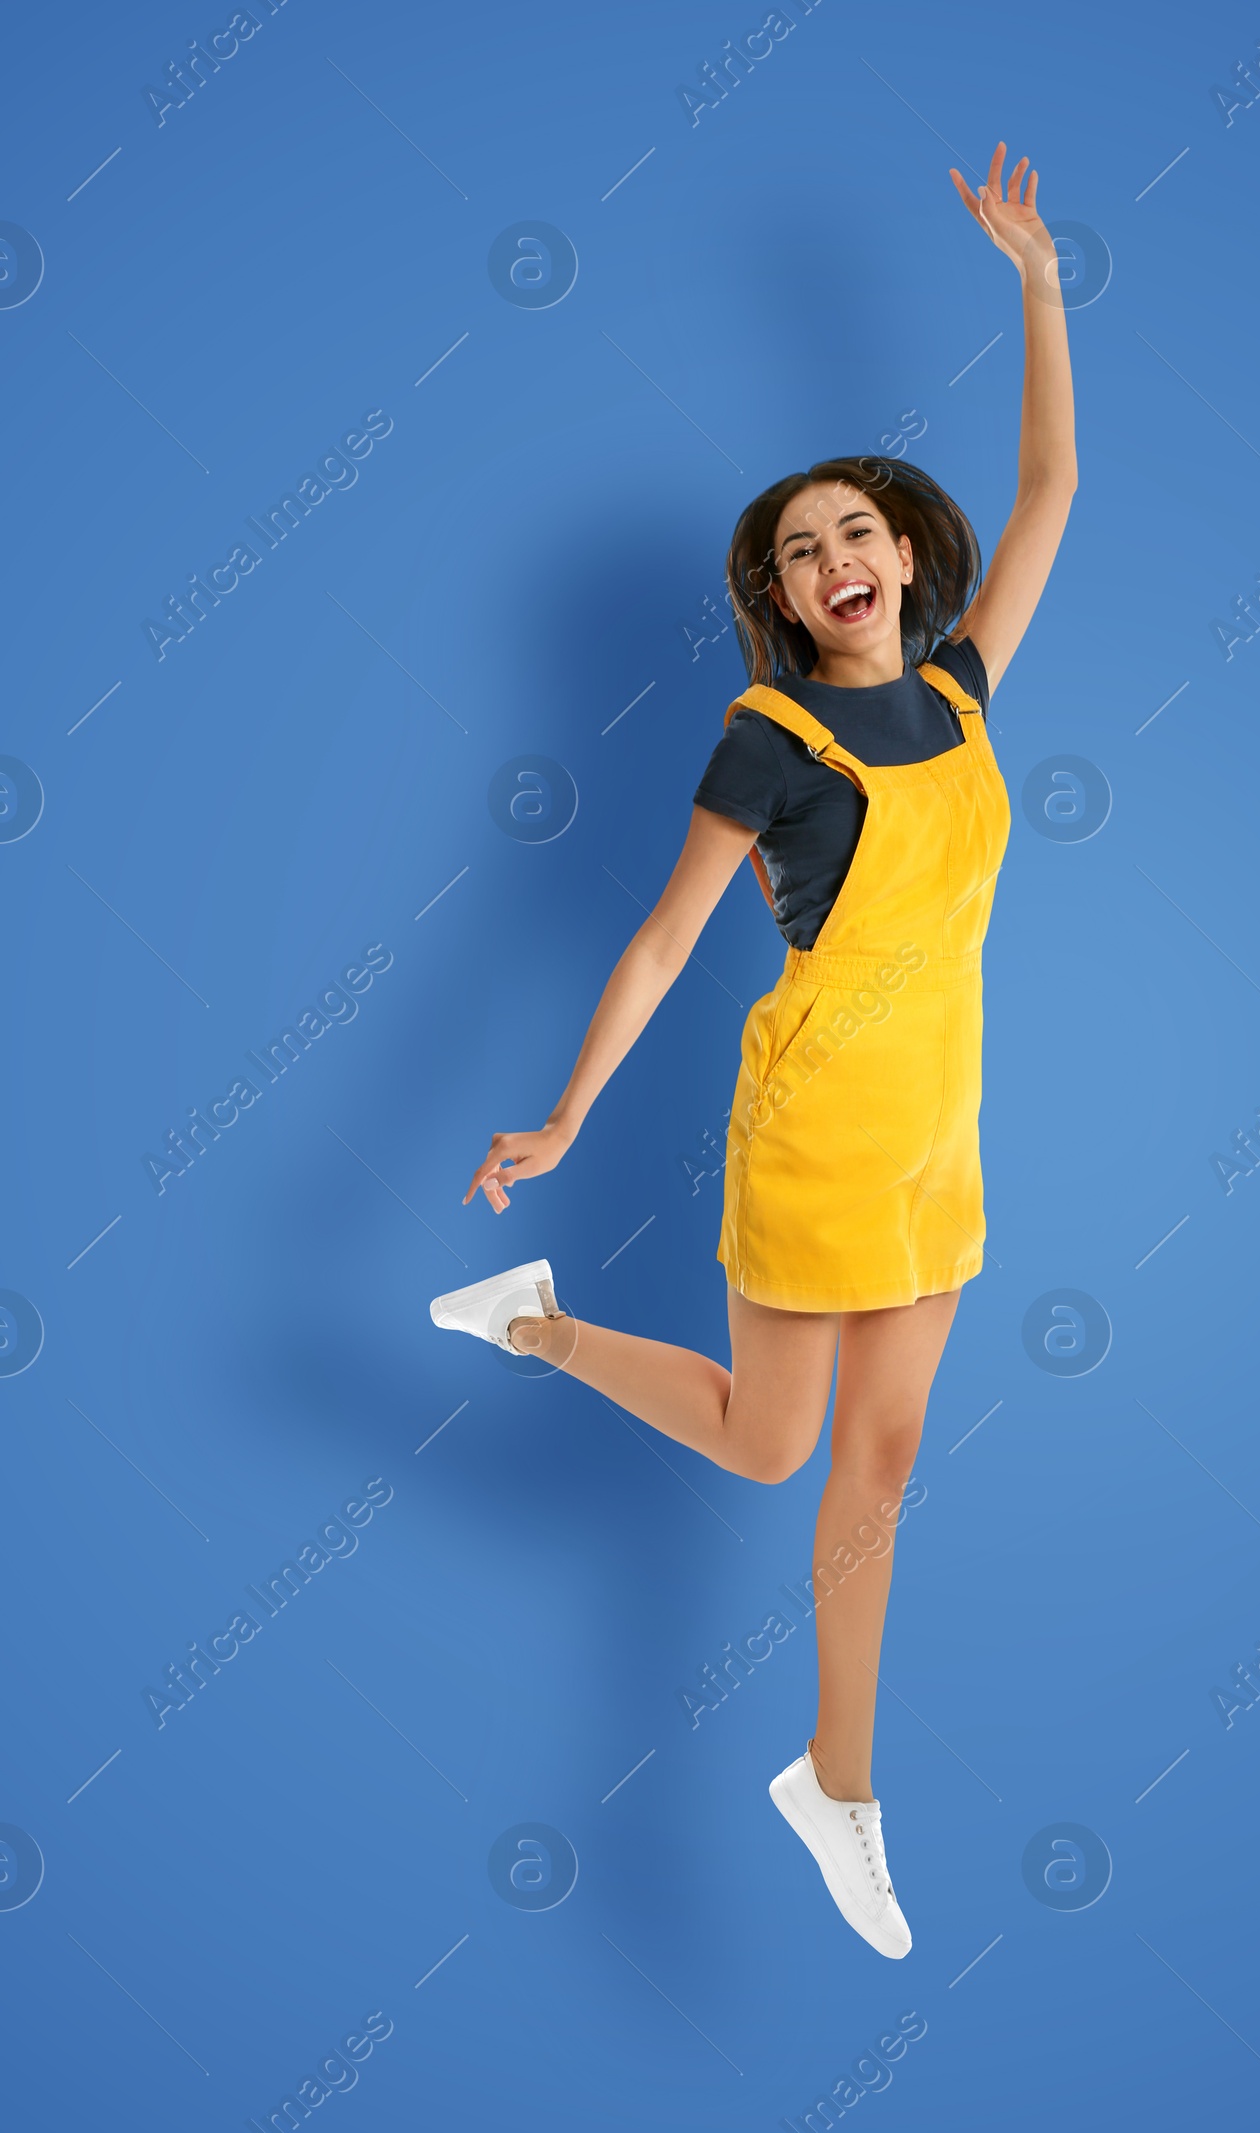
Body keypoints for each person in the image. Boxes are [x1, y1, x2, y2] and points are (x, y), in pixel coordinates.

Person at [431, 144, 1076, 1958]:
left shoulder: (957, 688)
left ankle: (838, 1787)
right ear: (786, 603)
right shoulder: (770, 740)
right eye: (802, 553)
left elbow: (1049, 491)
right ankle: (541, 1320)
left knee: (880, 1473)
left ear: (899, 554)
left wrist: (1033, 282)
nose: (836, 559)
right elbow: (658, 935)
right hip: (805, 1129)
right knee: (774, 1453)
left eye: (855, 530)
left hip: (936, 1132)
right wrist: (562, 1111)